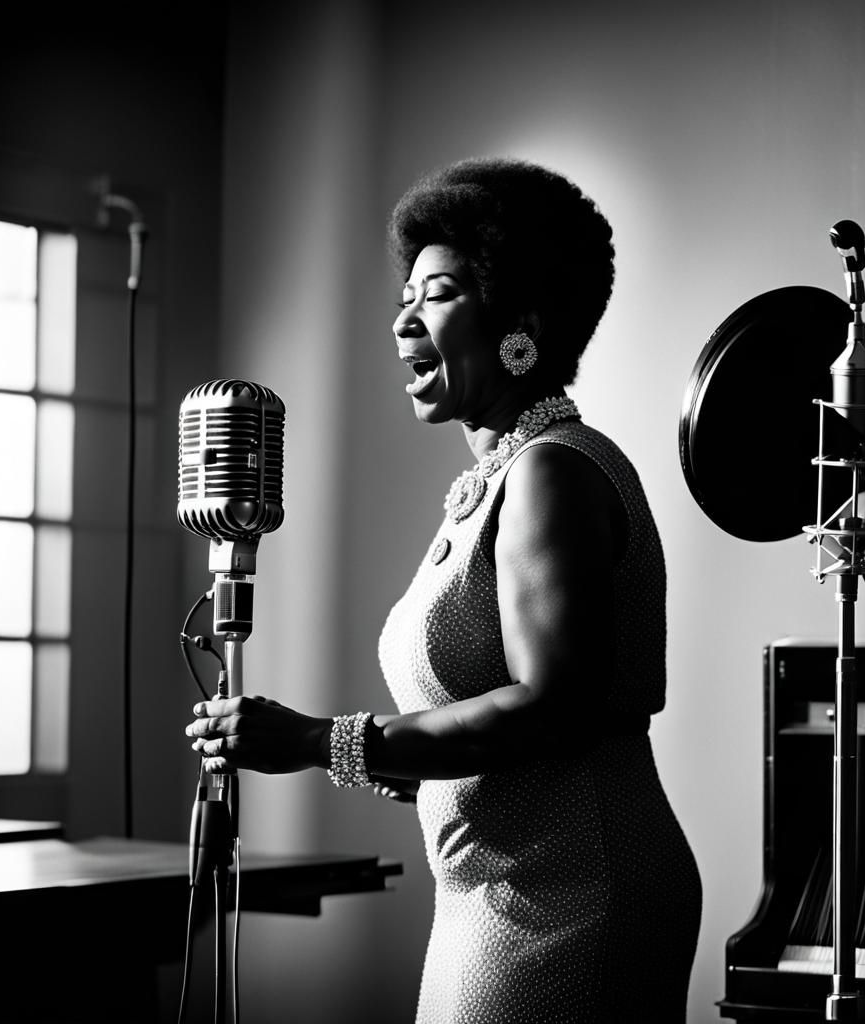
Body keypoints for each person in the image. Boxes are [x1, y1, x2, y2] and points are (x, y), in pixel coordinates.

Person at [187, 157, 702, 1022]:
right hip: (500, 892)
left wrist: (323, 740)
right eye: (407, 296)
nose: (403, 322)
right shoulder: (502, 476)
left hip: (571, 896)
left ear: (520, 324)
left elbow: (553, 708)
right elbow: (510, 732)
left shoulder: (552, 473)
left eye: (439, 294)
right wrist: (425, 775)